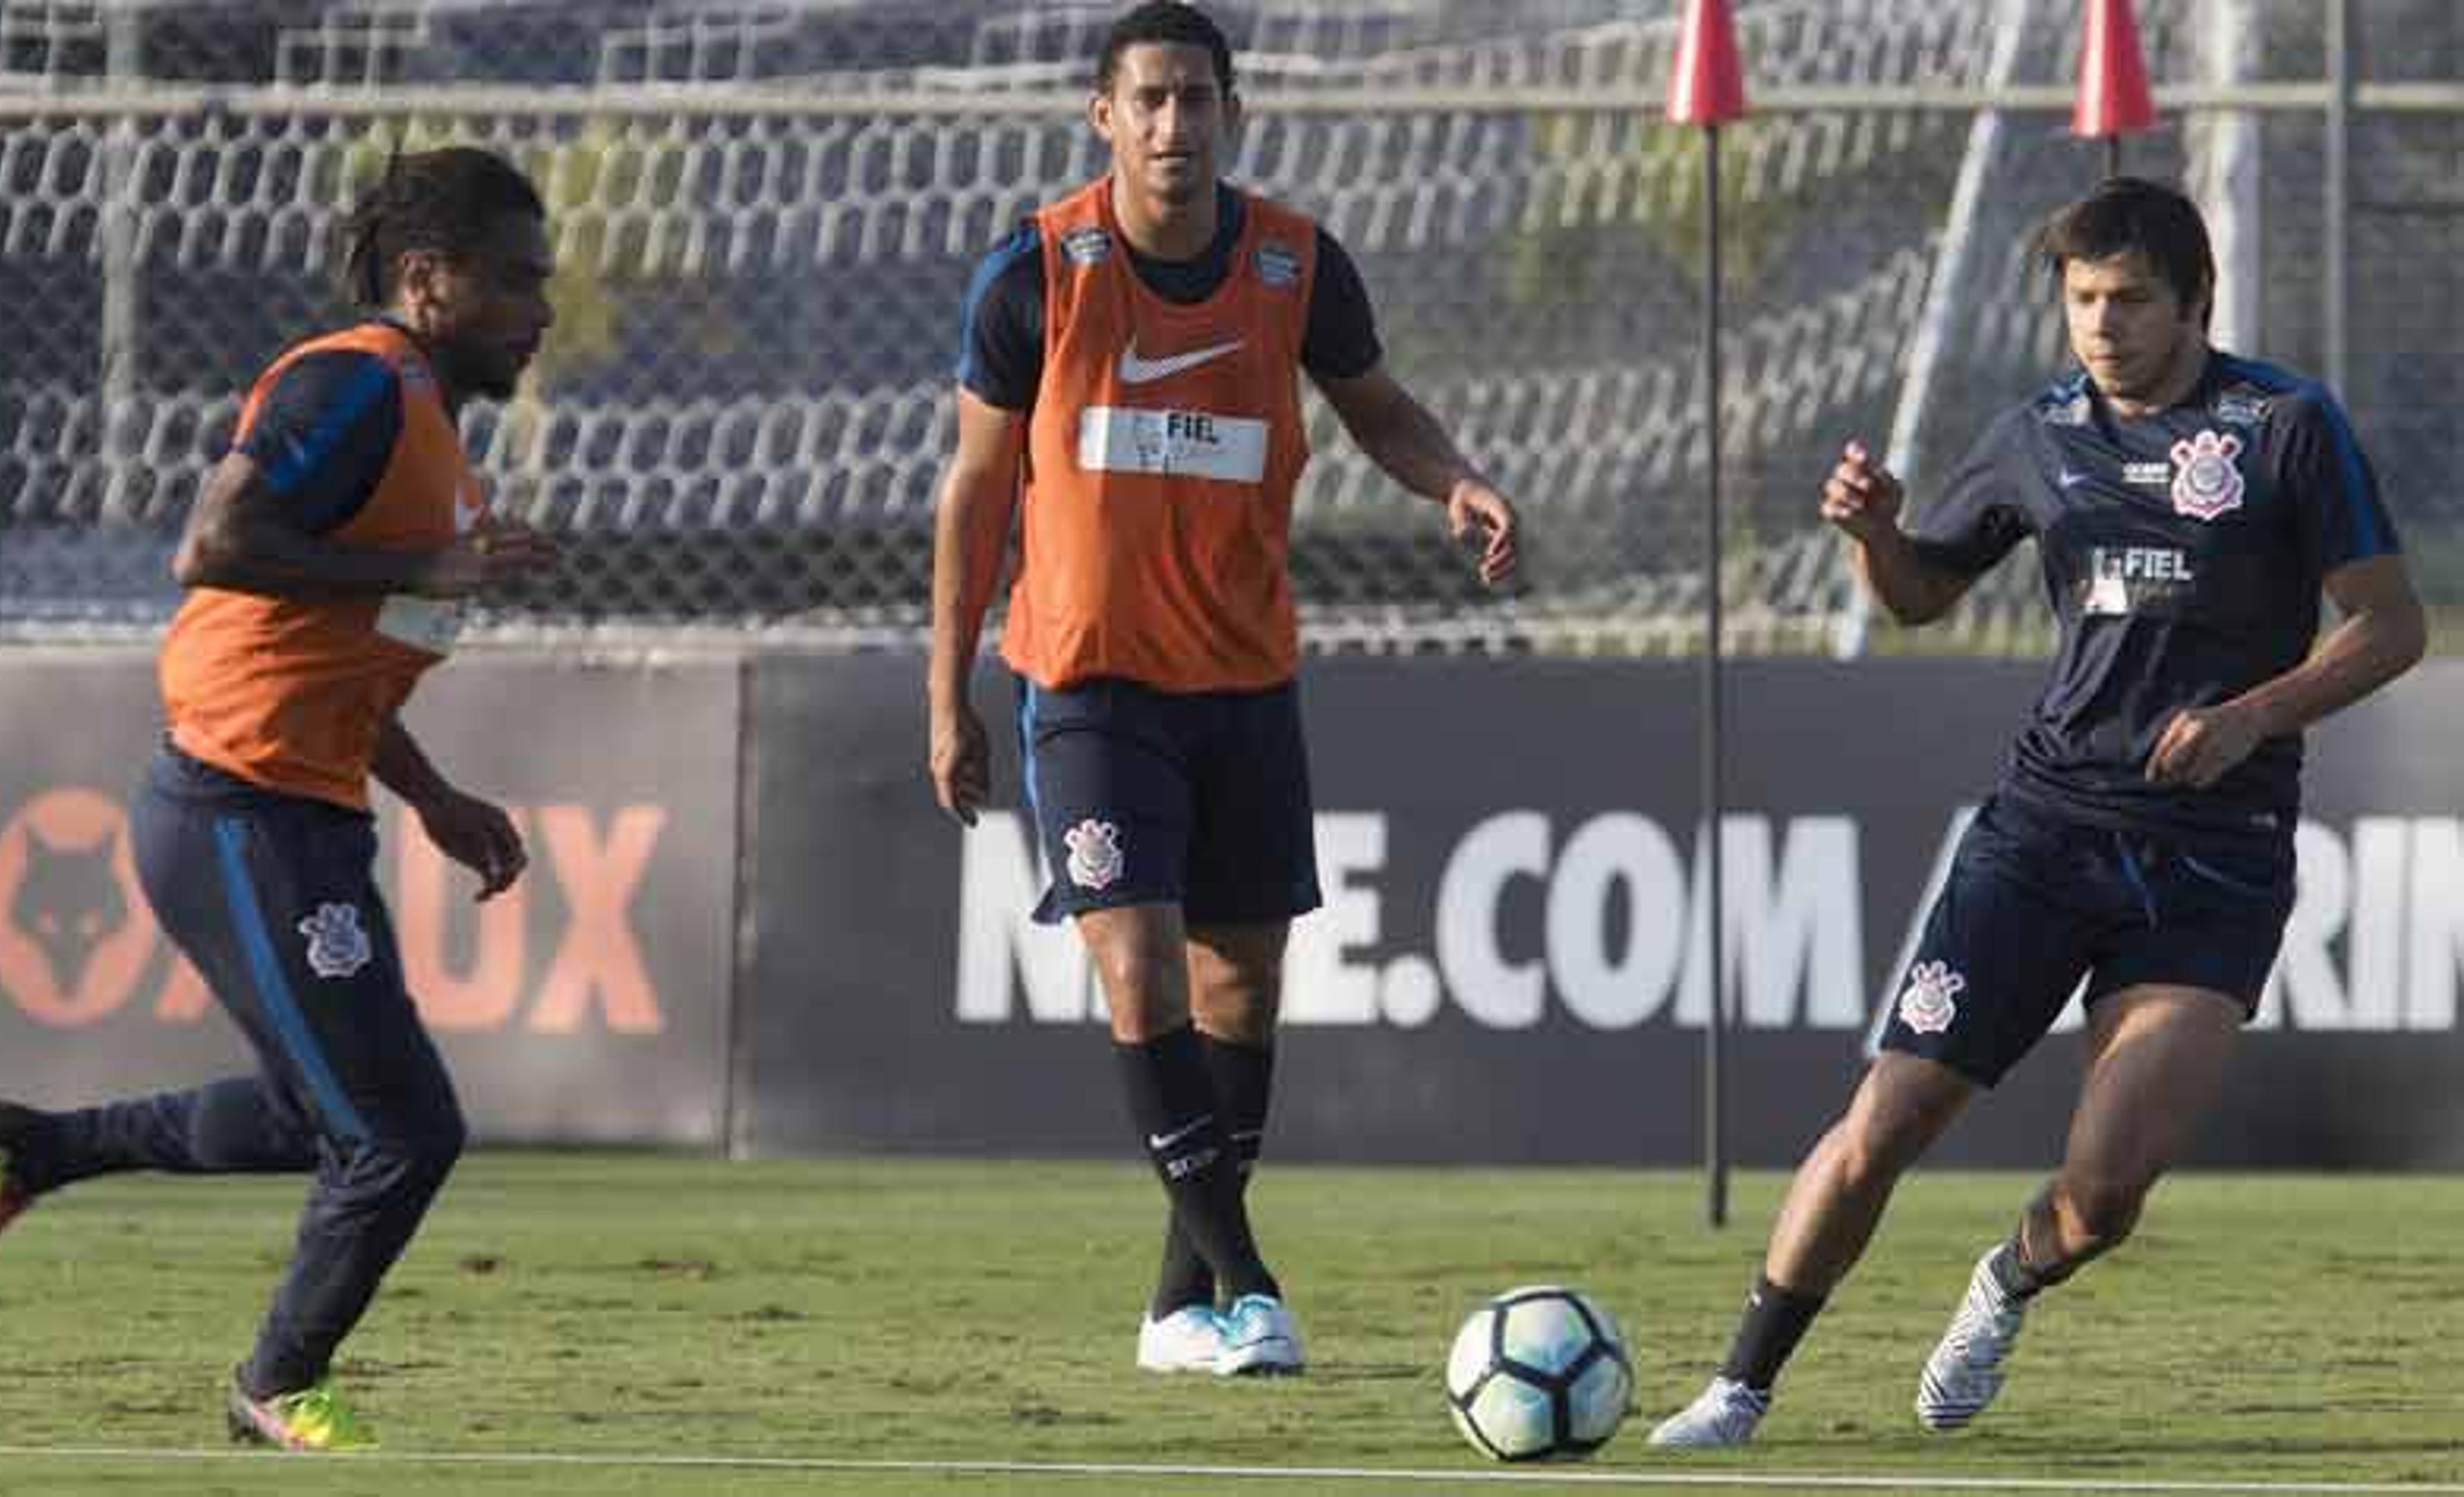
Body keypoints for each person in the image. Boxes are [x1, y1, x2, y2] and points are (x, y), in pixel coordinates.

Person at [1649, 176, 2424, 1448]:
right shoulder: (2034, 433)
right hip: (2041, 835)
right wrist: (1875, 533)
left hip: (2214, 859)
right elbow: (1918, 598)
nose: (2102, 324)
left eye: (2130, 299)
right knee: (1884, 1121)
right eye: (2081, 299)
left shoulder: (2286, 424)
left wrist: (2252, 716)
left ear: (2194, 306)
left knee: (2106, 1193)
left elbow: (2393, 624)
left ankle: (2005, 1279)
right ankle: (1738, 1388)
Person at [926, 1, 1520, 1378]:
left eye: (1198, 100)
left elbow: (1379, 408)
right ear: (1105, 116)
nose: (1174, 125)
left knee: (1242, 984)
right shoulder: (1036, 272)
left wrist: (1458, 478)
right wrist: (947, 693)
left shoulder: (1297, 264)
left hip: (1243, 680)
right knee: (1134, 962)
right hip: (1086, 681)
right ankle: (1251, 1284)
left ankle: (1177, 1304)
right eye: (1150, 101)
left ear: (1230, 115)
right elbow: (974, 492)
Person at [0, 145, 560, 1452]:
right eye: (515, 280)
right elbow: (214, 544)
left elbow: (337, 653)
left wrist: (437, 795)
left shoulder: (437, 441)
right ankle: (277, 1380)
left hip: (306, 800)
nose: (541, 309)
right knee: (399, 1131)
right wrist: (429, 562)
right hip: (233, 800)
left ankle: (31, 1150)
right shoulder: (356, 380)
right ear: (427, 280)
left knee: (313, 1112)